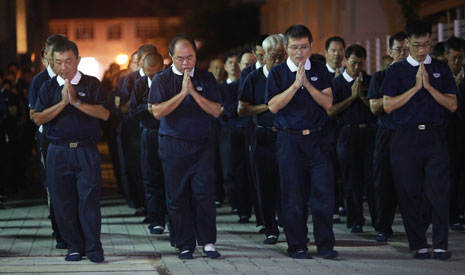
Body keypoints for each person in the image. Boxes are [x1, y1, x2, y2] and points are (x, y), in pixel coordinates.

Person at [381, 19, 457, 260]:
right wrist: (414, 88)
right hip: (405, 138)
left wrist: (429, 87)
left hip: (435, 137)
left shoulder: (441, 69)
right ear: (408, 44)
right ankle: (419, 244)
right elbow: (388, 105)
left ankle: (441, 244)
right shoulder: (396, 70)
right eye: (417, 45)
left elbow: (452, 105)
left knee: (439, 192)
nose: (422, 50)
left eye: (426, 45)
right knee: (410, 193)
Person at [33, 38, 110, 262]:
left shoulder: (92, 84)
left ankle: (94, 248)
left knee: (89, 201)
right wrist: (62, 104)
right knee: (62, 202)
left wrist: (76, 103)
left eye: (68, 61)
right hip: (57, 150)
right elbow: (37, 117)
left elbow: (105, 114)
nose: (63, 67)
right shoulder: (47, 87)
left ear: (77, 59)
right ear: (52, 62)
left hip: (86, 150)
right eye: (58, 62)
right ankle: (73, 247)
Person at [265, 25, 337, 259]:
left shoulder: (319, 68)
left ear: (310, 46)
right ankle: (297, 245)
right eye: (295, 47)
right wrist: (295, 85)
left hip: (317, 139)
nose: (300, 52)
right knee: (293, 196)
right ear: (286, 48)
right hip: (290, 140)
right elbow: (273, 106)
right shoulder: (277, 73)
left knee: (323, 195)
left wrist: (307, 84)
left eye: (304, 47)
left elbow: (328, 103)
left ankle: (325, 245)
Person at [148, 34, 222, 260]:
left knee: (204, 194)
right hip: (173, 145)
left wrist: (193, 93)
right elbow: (157, 112)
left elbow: (216, 110)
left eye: (190, 57)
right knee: (177, 196)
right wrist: (182, 94)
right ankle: (185, 244)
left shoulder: (206, 77)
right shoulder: (162, 79)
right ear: (171, 57)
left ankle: (208, 242)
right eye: (180, 58)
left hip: (201, 145)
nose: (186, 62)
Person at [238, 34, 286, 244]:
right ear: (263, 56)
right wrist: (268, 106)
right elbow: (242, 109)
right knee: (265, 184)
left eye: (280, 56)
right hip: (262, 134)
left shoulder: (290, 76)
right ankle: (270, 227)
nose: (277, 61)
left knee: (288, 183)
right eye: (273, 57)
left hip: (286, 135)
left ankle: (289, 222)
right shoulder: (254, 78)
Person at [327, 44, 377, 234]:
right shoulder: (336, 84)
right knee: (351, 180)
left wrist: (362, 97)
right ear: (346, 61)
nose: (356, 67)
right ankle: (355, 220)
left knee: (372, 179)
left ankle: (378, 222)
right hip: (347, 134)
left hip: (370, 133)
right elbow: (330, 111)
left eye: (360, 63)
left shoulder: (371, 81)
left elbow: (375, 108)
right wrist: (352, 97)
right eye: (353, 63)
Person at [27, 34, 68, 249]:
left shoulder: (75, 77)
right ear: (46, 56)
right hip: (48, 139)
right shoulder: (39, 81)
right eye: (54, 56)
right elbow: (35, 115)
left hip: (72, 140)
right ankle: (59, 230)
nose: (59, 61)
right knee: (54, 187)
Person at [367, 31, 409, 242]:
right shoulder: (380, 76)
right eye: (398, 49)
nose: (402, 53)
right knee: (383, 182)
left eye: (406, 49)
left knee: (411, 183)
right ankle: (383, 226)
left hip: (410, 135)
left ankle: (415, 228)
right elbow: (374, 107)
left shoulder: (418, 76)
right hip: (386, 134)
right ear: (390, 52)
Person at [117, 44, 158, 216]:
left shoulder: (162, 78)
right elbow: (124, 107)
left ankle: (157, 210)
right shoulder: (129, 79)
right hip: (134, 131)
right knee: (138, 169)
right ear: (140, 61)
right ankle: (144, 206)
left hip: (158, 131)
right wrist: (142, 104)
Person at [129, 52, 166, 234]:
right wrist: (148, 107)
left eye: (156, 73)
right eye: (149, 73)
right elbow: (132, 111)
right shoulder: (140, 84)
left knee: (170, 178)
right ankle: (156, 219)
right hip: (148, 134)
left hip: (168, 135)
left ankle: (172, 218)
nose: (153, 77)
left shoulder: (170, 82)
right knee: (150, 178)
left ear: (163, 68)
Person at [443, 36, 465, 231]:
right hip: (447, 134)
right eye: (454, 58)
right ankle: (452, 215)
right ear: (446, 56)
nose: (457, 62)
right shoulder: (440, 79)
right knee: (450, 175)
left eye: (460, 58)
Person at [324, 36, 346, 224]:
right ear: (327, 52)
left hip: (344, 130)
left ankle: (343, 203)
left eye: (340, 50)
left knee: (343, 170)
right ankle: (331, 206)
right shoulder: (322, 74)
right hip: (325, 131)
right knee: (328, 169)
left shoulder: (349, 74)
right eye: (333, 50)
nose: (337, 53)